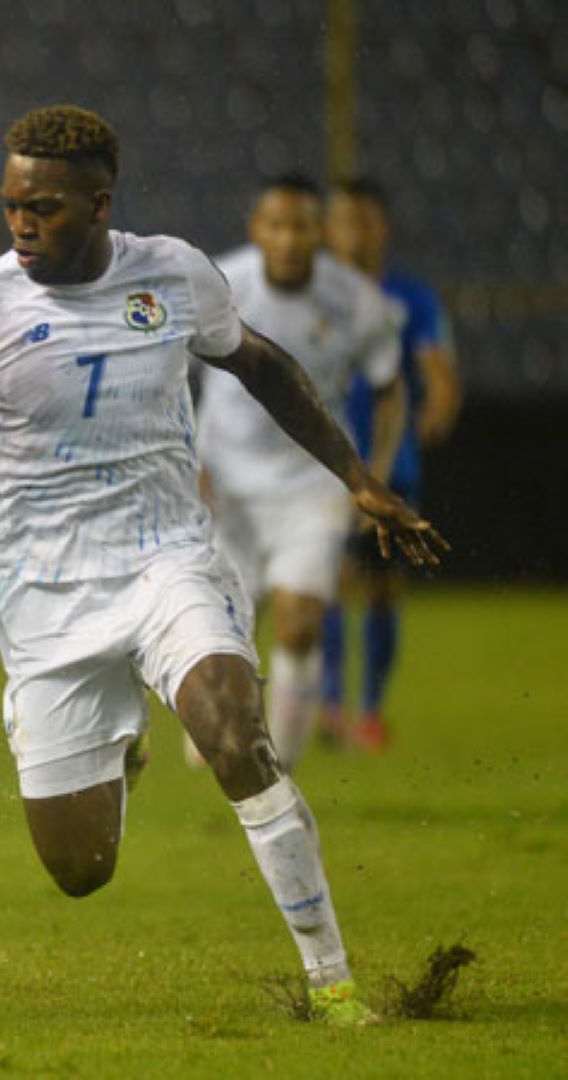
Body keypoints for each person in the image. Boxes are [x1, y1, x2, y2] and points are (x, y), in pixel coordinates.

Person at [0, 106, 442, 1024]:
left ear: (97, 205)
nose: (20, 224)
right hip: (47, 600)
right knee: (80, 872)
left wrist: (357, 478)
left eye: (40, 207)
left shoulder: (173, 273)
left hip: (168, 558)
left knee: (237, 736)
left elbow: (263, 365)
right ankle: (123, 749)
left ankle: (335, 984)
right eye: (10, 206)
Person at [194, 173, 405, 770]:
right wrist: (189, 461)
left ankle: (275, 769)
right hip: (226, 485)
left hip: (312, 486)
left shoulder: (356, 299)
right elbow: (167, 374)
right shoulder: (220, 285)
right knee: (225, 632)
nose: (289, 238)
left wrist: (374, 474)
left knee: (300, 621)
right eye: (277, 225)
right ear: (257, 230)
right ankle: (226, 725)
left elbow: (391, 389)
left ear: (322, 232)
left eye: (302, 226)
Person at [319, 176, 462, 751]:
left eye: (365, 220)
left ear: (383, 228)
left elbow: (438, 372)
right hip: (324, 462)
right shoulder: (314, 295)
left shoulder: (410, 299)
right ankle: (329, 707)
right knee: (326, 581)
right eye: (344, 220)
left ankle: (370, 711)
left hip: (389, 467)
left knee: (380, 588)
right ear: (329, 228)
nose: (354, 232)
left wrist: (436, 413)